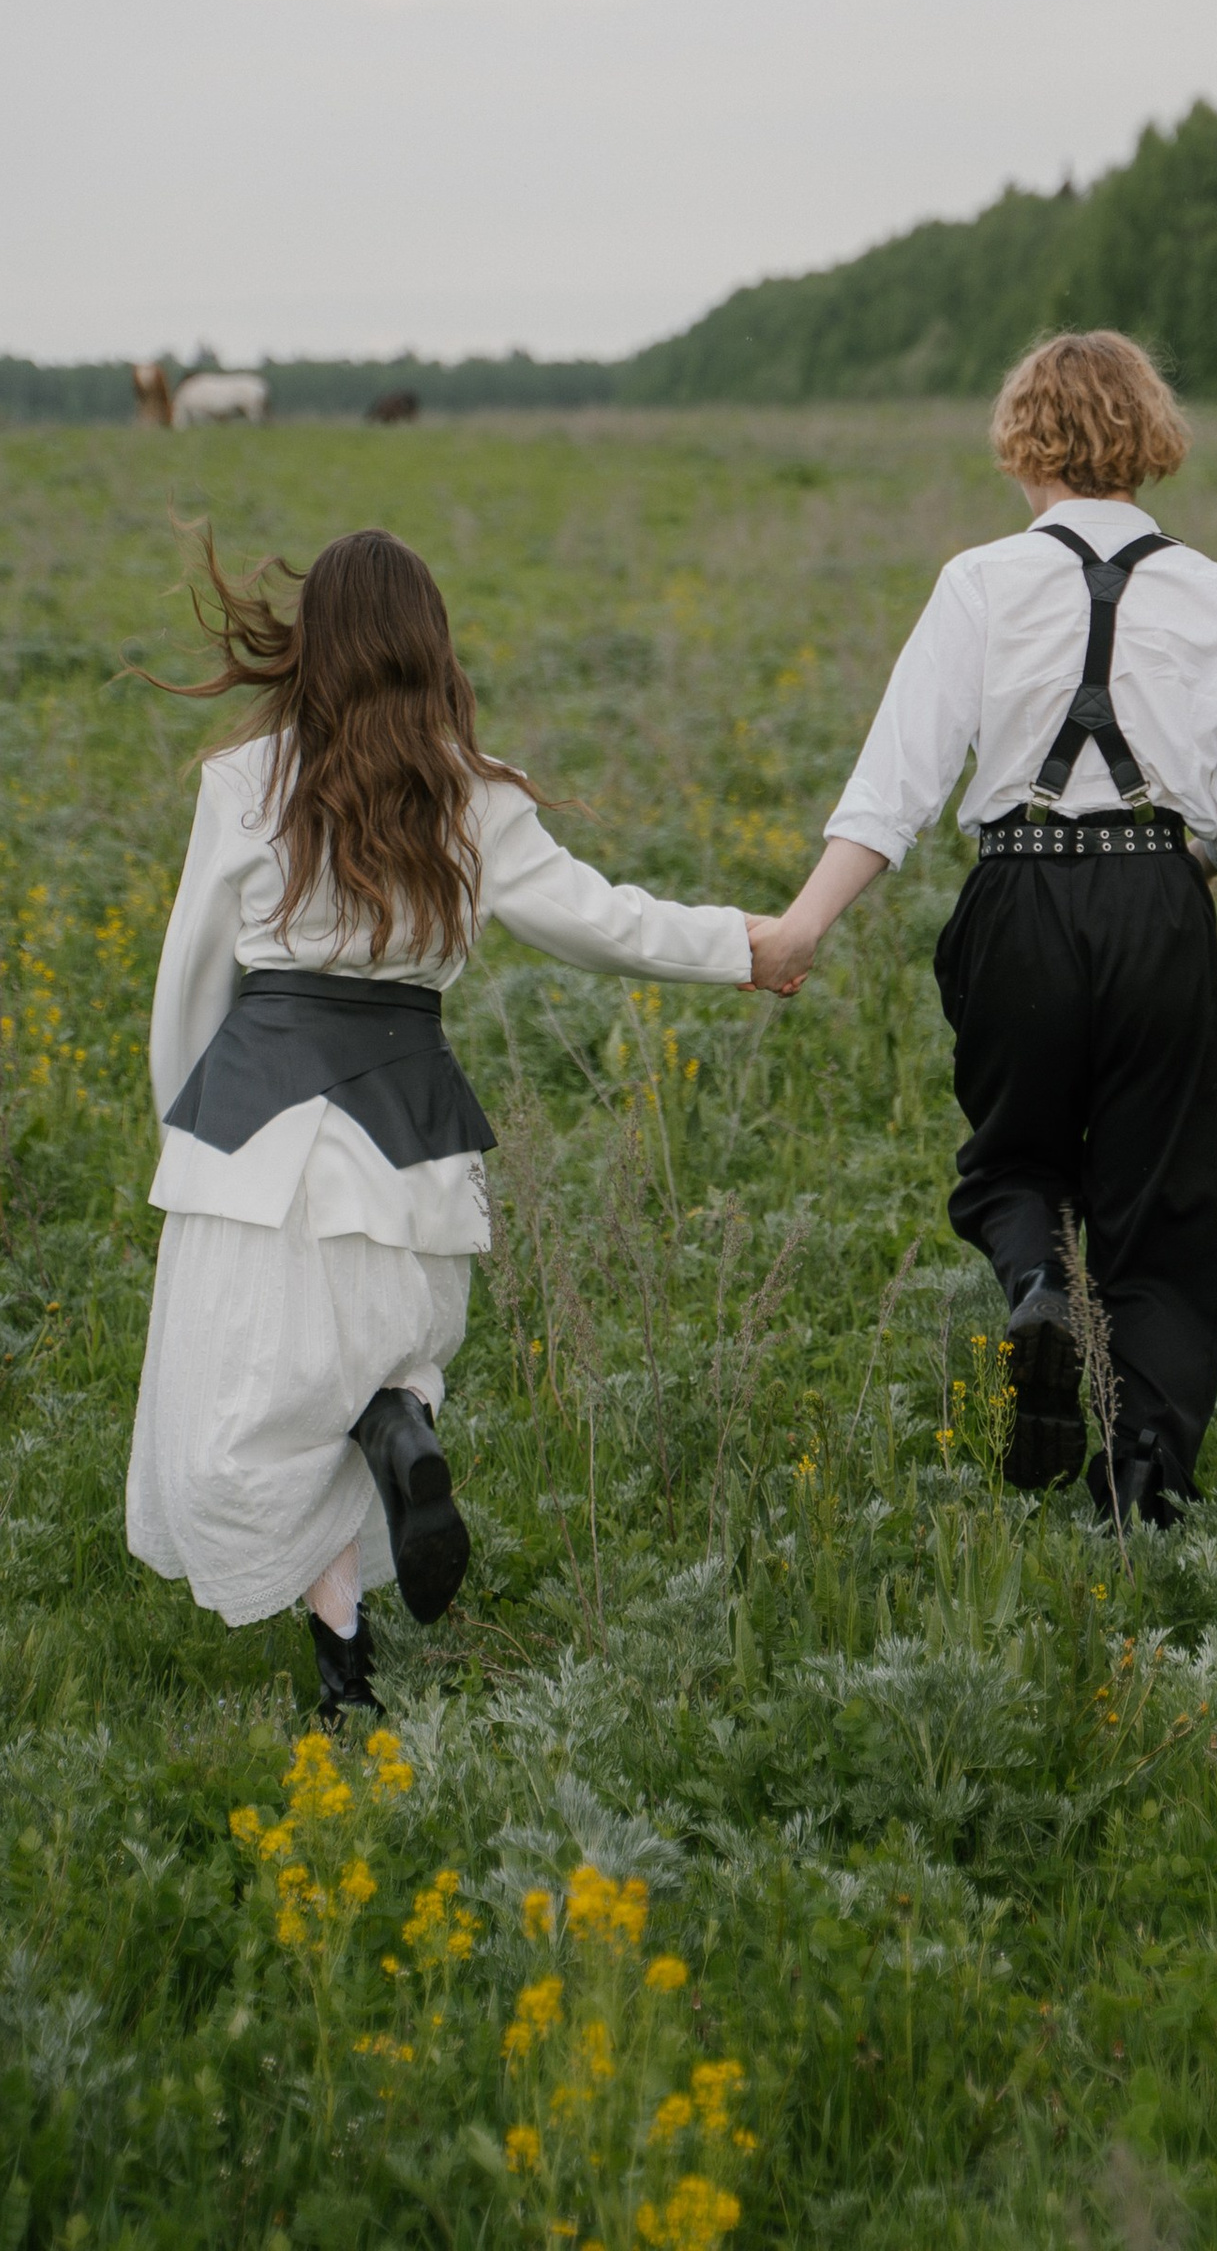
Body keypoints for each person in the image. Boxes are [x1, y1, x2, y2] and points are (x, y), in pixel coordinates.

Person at [125, 525, 799, 1721]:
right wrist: (745, 946)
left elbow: (190, 971)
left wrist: (185, 1120)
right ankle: (398, 1425)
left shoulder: (245, 783)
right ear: (431, 646)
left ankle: (344, 1680)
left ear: (315, 646)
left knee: (246, 1426)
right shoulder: (471, 790)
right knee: (363, 1380)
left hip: (257, 1140)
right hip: (407, 1140)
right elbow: (606, 920)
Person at [747, 332, 1217, 1525]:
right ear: (1149, 437)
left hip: (1021, 893)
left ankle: (1041, 1285)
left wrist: (799, 927)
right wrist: (1188, 865)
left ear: (1023, 441)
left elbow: (893, 785)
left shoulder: (980, 583)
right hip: (1158, 895)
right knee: (1162, 1204)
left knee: (1012, 1161)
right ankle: (1140, 1490)